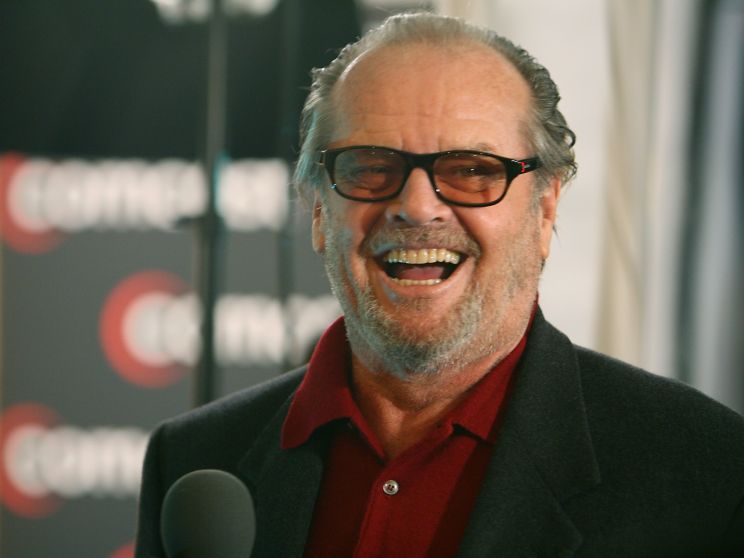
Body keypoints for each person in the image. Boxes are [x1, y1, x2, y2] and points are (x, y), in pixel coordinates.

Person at [135, 12, 744, 558]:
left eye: (472, 170)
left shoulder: (708, 472)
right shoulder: (194, 461)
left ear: (545, 209)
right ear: (319, 211)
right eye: (372, 167)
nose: (418, 206)